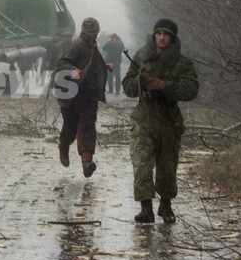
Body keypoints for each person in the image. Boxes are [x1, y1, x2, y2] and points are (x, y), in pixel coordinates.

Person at [122, 18, 199, 224]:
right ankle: (145, 208)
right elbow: (127, 88)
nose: (162, 38)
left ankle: (165, 205)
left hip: (168, 122)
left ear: (172, 38)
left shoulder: (183, 63)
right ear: (154, 35)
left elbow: (191, 89)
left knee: (167, 167)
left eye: (166, 34)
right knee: (141, 164)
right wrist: (140, 82)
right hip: (144, 120)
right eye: (159, 34)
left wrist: (164, 85)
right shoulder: (141, 58)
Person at [54, 17, 113, 177]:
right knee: (71, 126)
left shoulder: (92, 46)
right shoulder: (77, 45)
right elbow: (60, 64)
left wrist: (105, 65)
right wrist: (72, 69)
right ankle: (64, 146)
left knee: (87, 125)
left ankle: (87, 162)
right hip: (72, 94)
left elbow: (93, 62)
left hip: (89, 94)